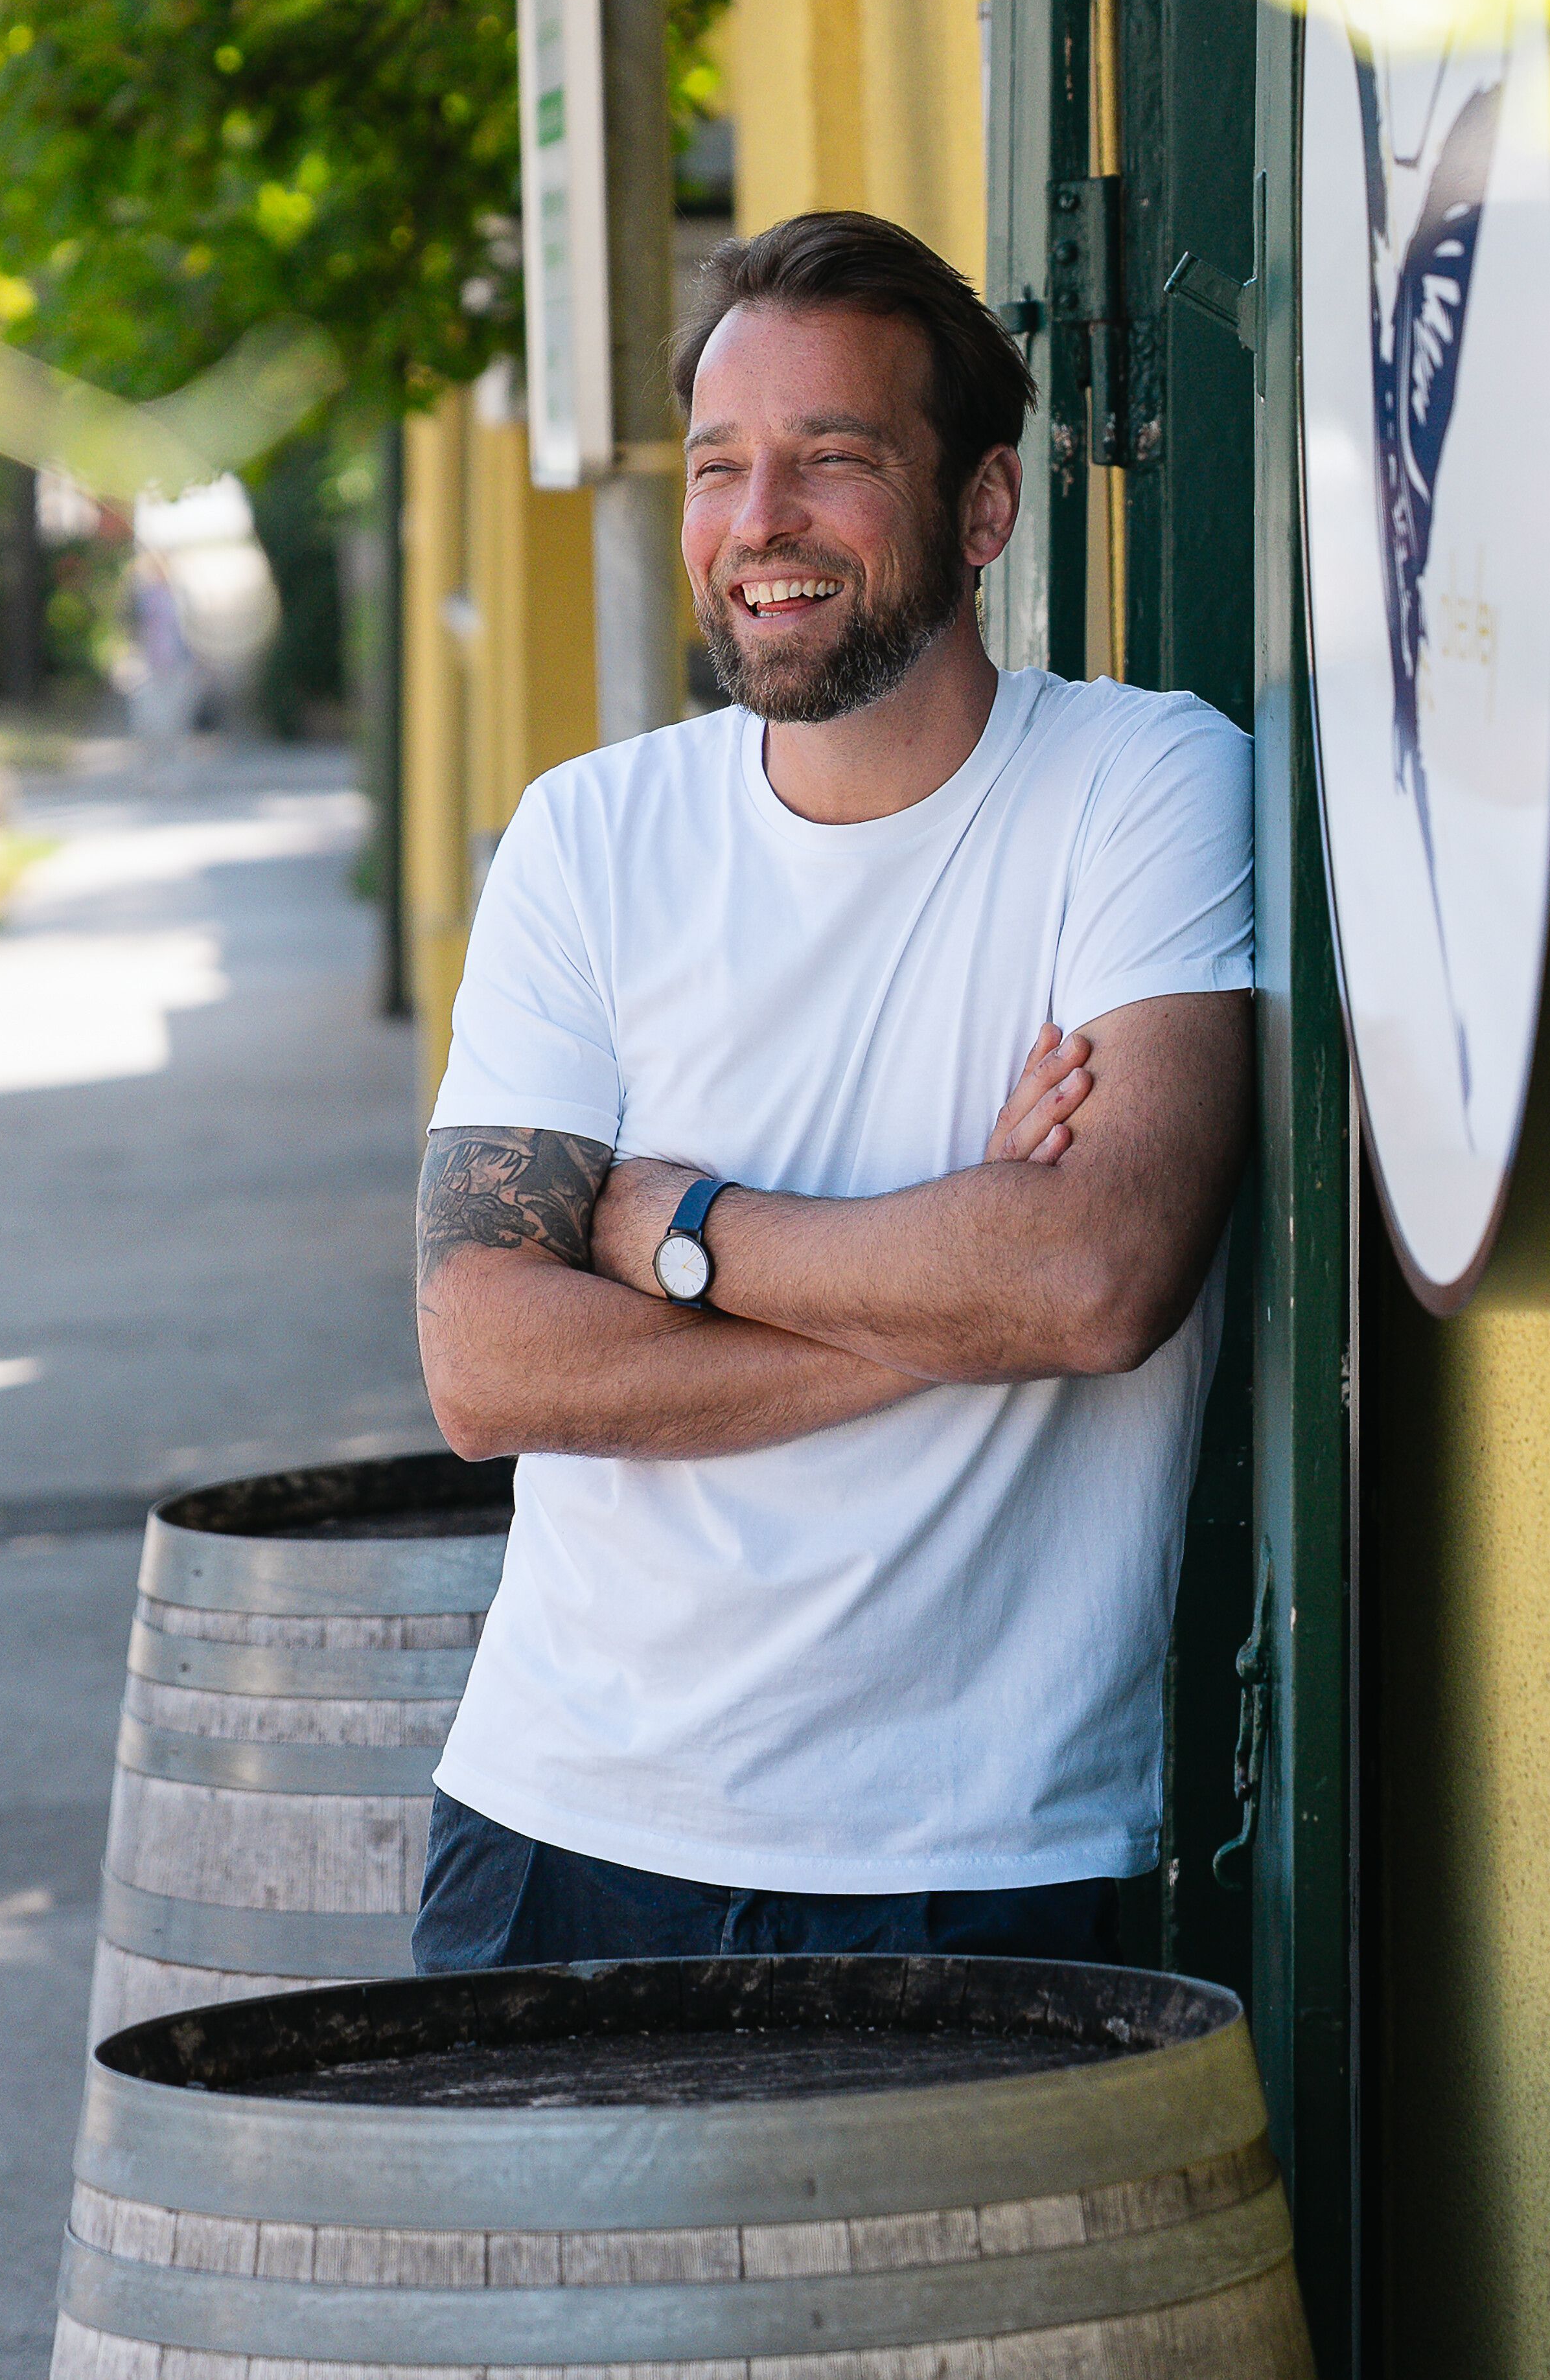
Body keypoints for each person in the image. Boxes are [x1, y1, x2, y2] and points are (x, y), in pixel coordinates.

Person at [410, 208, 1255, 1971]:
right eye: (721, 466)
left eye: (834, 458)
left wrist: (676, 1227)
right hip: (564, 1827)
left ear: (985, 507)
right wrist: (956, 1290)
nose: (758, 522)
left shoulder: (1143, 788)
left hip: (982, 1855)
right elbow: (487, 1365)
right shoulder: (591, 833)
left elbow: (1096, 1277)